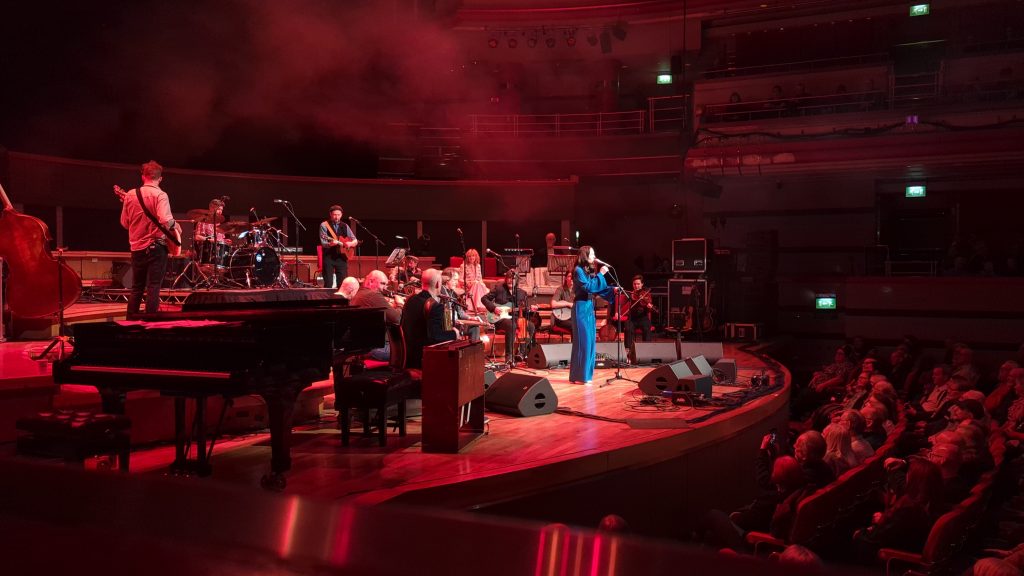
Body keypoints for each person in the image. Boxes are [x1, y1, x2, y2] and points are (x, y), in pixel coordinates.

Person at [119, 160, 178, 317]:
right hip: (156, 247)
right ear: (160, 178)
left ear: (143, 176)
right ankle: (150, 323)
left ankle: (130, 321)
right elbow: (165, 219)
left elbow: (124, 223)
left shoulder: (130, 194)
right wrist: (176, 226)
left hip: (136, 248)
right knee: (153, 286)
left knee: (136, 287)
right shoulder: (160, 195)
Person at [568, 246, 616, 384]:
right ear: (585, 255)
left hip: (589, 307)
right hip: (581, 307)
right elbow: (589, 287)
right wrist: (601, 274)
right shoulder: (578, 270)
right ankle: (580, 376)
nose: (594, 257)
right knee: (583, 342)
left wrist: (612, 290)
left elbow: (596, 287)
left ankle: (585, 376)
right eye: (592, 254)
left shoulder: (587, 270)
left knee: (590, 342)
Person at [400, 268, 458, 370]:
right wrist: (454, 334)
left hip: (406, 356)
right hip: (422, 359)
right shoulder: (435, 306)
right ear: (438, 284)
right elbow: (434, 337)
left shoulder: (410, 300)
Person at [482, 270, 536, 361]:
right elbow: (484, 299)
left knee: (530, 326)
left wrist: (530, 309)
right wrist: (494, 308)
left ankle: (521, 353)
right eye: (509, 278)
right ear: (506, 279)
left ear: (517, 280)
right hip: (500, 319)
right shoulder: (499, 289)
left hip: (515, 318)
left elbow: (524, 310)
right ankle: (509, 356)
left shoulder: (522, 293)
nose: (510, 280)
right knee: (511, 325)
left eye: (513, 278)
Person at [351, 270, 403, 362]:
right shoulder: (372, 295)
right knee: (414, 349)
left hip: (364, 346)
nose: (384, 288)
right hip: (376, 348)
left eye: (386, 284)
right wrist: (400, 304)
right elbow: (397, 319)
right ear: (371, 281)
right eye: (382, 284)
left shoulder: (360, 293)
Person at [319, 204, 357, 289]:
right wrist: (330, 244)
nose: (337, 217)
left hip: (342, 258)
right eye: (334, 215)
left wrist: (350, 244)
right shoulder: (324, 225)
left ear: (341, 215)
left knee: (342, 284)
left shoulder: (345, 226)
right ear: (330, 214)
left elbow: (355, 240)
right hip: (329, 257)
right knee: (328, 283)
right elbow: (323, 243)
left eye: (338, 215)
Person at [623, 275, 655, 352]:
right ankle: (628, 350)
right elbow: (624, 306)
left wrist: (649, 307)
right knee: (628, 328)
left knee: (647, 328)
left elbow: (649, 310)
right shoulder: (630, 294)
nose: (636, 286)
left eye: (638, 284)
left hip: (643, 317)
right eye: (634, 284)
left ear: (642, 284)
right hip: (632, 318)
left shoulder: (646, 294)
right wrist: (618, 312)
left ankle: (647, 349)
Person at [461, 248, 488, 313]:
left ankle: (478, 306)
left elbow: (480, 279)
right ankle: (479, 306)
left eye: (473, 256)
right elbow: (460, 280)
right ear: (467, 257)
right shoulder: (463, 266)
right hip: (467, 286)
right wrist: (470, 283)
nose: (471, 258)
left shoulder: (478, 266)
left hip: (477, 286)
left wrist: (481, 284)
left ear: (476, 257)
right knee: (477, 284)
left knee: (479, 284)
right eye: (469, 256)